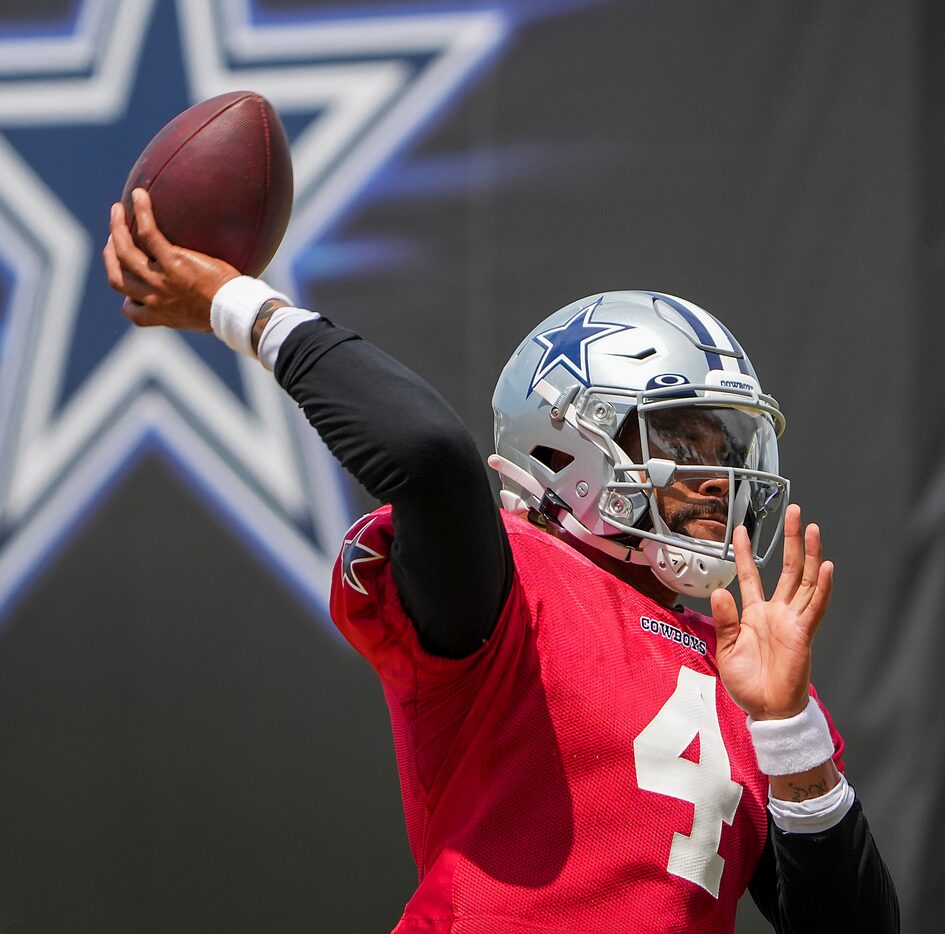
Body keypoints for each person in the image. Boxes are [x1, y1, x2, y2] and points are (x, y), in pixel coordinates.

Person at [103, 189, 899, 933]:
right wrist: (238, 305)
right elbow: (428, 454)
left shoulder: (746, 674)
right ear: (569, 436)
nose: (712, 477)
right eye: (680, 439)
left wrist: (789, 733)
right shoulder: (510, 582)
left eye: (723, 449)